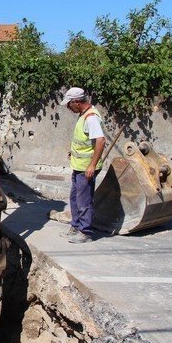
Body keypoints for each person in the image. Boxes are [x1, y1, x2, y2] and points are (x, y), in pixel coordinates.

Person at [61, 87, 106, 243]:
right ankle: (75, 226)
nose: (68, 107)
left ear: (76, 102)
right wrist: (73, 152)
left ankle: (85, 231)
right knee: (74, 198)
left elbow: (100, 141)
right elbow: (85, 141)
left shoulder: (91, 118)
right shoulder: (83, 115)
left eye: (69, 104)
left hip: (87, 168)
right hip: (79, 165)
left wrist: (92, 166)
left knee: (84, 200)